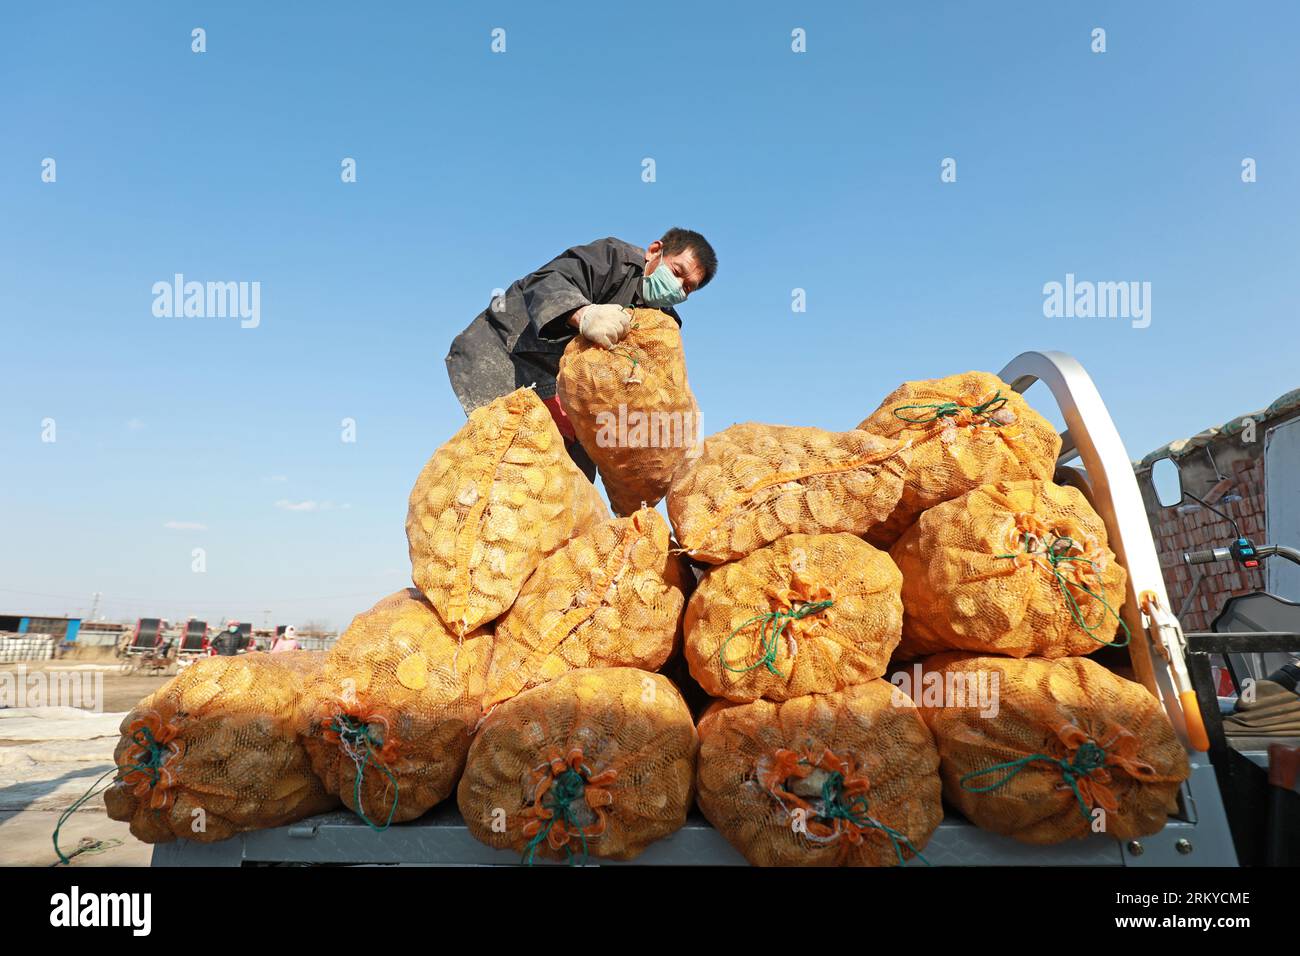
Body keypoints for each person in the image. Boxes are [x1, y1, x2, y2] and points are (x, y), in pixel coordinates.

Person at [445, 229, 718, 481]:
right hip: (510, 353)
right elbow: (547, 281)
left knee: (572, 480)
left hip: (564, 393)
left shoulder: (663, 323)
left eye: (687, 288)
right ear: (654, 251)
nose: (677, 286)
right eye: (676, 271)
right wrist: (583, 314)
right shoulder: (612, 259)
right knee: (509, 460)